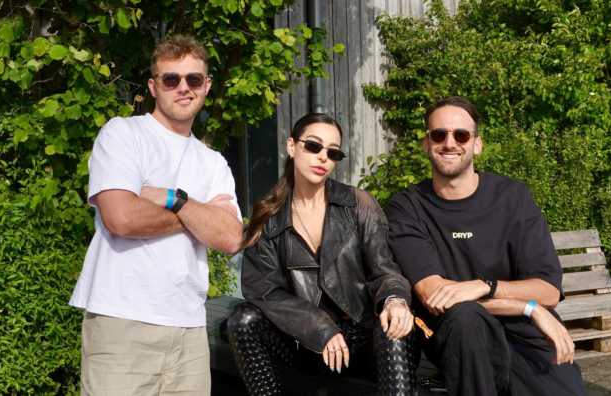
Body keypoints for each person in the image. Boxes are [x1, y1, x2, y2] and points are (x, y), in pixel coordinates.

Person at [68, 35, 244, 396]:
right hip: (122, 321)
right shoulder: (123, 134)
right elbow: (122, 218)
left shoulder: (213, 162)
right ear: (153, 86)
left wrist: (172, 199)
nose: (183, 87)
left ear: (207, 86)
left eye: (194, 79)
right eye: (171, 79)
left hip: (189, 329)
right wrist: (201, 214)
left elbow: (230, 237)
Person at [386, 96, 588, 396]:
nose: (450, 143)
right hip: (460, 337)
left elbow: (548, 291)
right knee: (465, 318)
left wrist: (484, 287)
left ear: (476, 144)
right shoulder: (408, 207)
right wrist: (528, 307)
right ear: (427, 144)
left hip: (525, 335)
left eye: (461, 135)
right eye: (439, 134)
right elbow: (434, 296)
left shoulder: (512, 196)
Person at [225, 113, 418, 396]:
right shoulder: (268, 217)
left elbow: (384, 270)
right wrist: (319, 328)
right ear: (291, 147)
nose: (323, 157)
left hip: (367, 341)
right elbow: (264, 292)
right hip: (308, 345)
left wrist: (395, 300)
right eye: (313, 146)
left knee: (394, 323)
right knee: (242, 320)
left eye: (333, 151)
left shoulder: (358, 204)